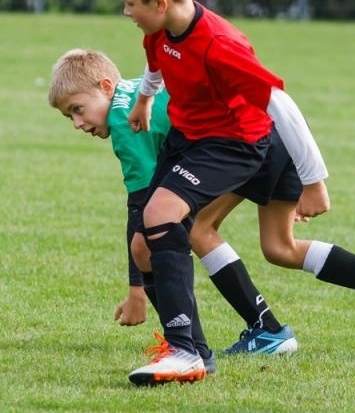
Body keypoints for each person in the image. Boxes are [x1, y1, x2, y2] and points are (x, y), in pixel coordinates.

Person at [116, 0, 355, 386]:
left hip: (236, 144)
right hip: (198, 139)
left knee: (166, 217)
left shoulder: (219, 44)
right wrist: (145, 100)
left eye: (130, 3)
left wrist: (315, 181)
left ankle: (188, 350)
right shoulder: (159, 31)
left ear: (160, 2)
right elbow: (156, 63)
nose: (125, 11)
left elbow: (279, 103)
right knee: (258, 247)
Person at [49, 46, 326, 359]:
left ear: (105, 87)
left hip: (244, 141)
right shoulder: (134, 91)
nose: (77, 123)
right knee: (259, 243)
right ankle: (252, 331)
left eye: (78, 109)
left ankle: (193, 347)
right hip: (260, 136)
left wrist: (136, 291)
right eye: (69, 116)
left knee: (169, 233)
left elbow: (140, 207)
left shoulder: (125, 123)